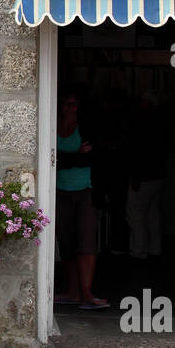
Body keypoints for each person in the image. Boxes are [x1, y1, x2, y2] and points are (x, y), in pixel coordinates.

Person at [54, 89, 109, 310]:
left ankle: (87, 293)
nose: (69, 109)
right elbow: (52, 159)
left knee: (86, 242)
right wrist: (77, 155)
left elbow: (96, 157)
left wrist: (68, 158)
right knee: (65, 242)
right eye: (66, 104)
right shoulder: (51, 124)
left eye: (73, 104)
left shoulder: (88, 127)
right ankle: (73, 292)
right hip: (58, 190)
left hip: (85, 190)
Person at [126, 91, 167, 260]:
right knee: (153, 214)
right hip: (158, 175)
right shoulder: (161, 123)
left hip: (142, 176)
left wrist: (134, 175)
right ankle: (155, 249)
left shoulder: (140, 123)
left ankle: (138, 252)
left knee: (135, 214)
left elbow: (137, 152)